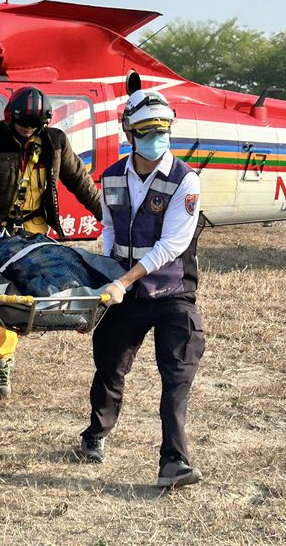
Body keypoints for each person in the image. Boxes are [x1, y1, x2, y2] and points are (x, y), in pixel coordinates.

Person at [78, 89, 205, 489]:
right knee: (110, 365)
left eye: (163, 129)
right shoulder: (112, 174)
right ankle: (95, 434)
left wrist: (123, 280)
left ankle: (174, 462)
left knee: (177, 376)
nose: (157, 137)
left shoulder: (186, 180)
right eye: (148, 129)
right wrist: (105, 278)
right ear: (129, 131)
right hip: (126, 295)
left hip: (173, 294)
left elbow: (172, 245)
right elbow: (111, 230)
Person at [0, 86, 102, 397]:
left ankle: (54, 326)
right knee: (0, 294)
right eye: (24, 124)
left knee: (43, 287)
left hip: (34, 230)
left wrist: (105, 213)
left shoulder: (54, 142)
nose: (29, 131)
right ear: (11, 118)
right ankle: (0, 362)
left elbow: (79, 180)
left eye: (35, 125)